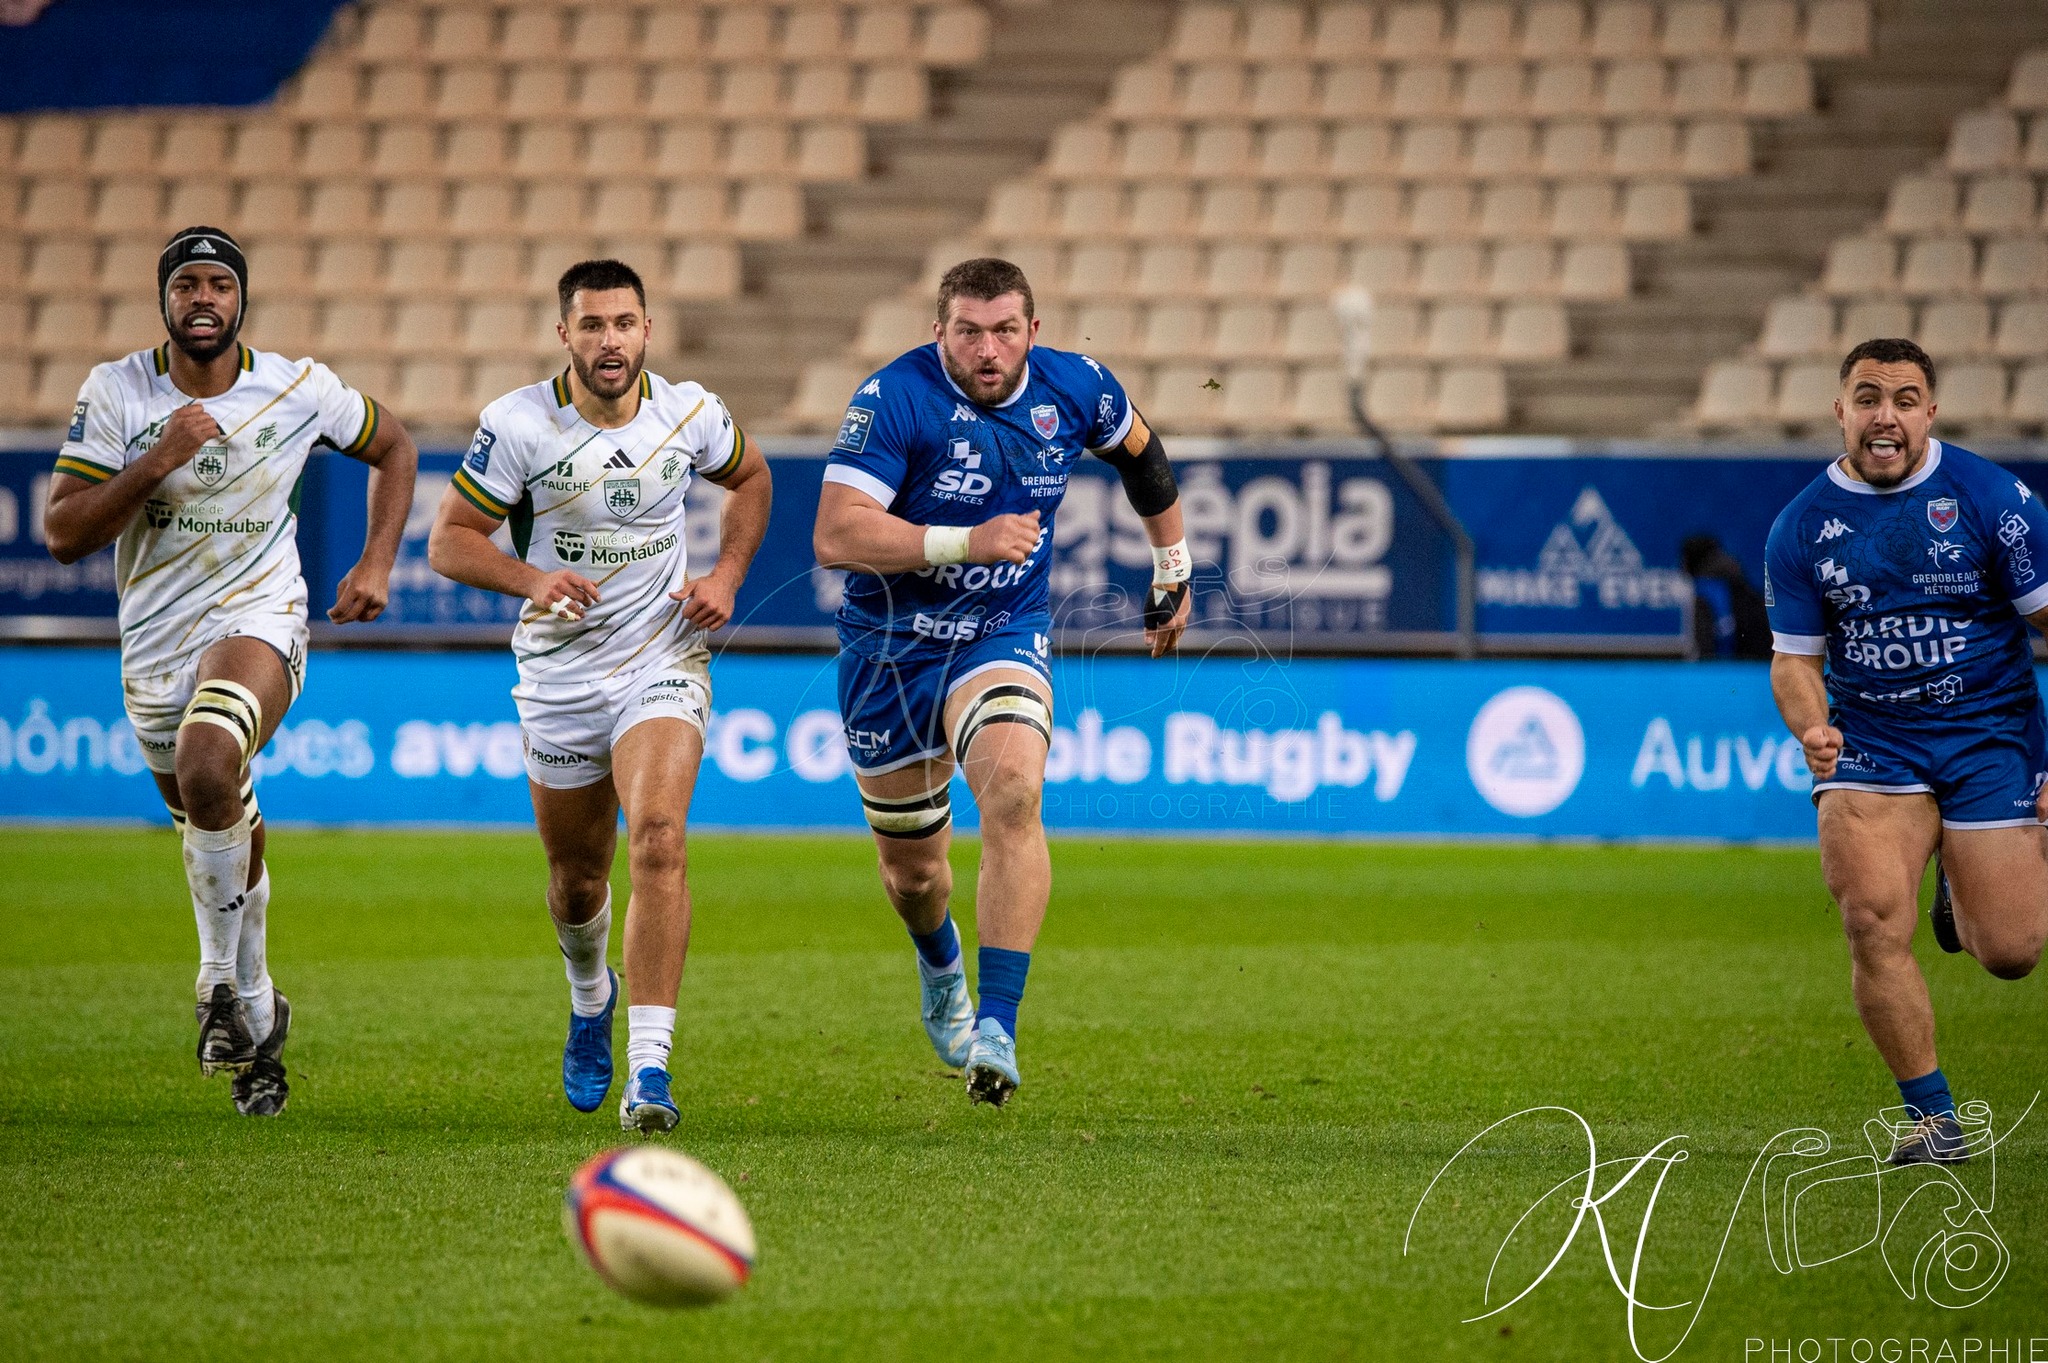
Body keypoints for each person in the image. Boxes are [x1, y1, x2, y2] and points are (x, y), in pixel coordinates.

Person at [43, 225, 418, 1116]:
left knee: (213, 762)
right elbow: (63, 534)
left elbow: (395, 446)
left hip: (261, 618)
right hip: (154, 648)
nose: (203, 299)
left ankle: (216, 984)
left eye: (218, 283)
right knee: (220, 817)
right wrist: (157, 459)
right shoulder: (118, 392)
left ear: (240, 297)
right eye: (186, 286)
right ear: (164, 300)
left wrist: (375, 564)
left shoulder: (295, 386)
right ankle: (258, 1009)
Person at [812, 257, 1192, 1107]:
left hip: (1000, 631)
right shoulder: (893, 398)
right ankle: (942, 967)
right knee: (916, 876)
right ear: (938, 331)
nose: (989, 349)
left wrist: (1173, 565)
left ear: (1034, 330)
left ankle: (999, 1026)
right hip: (889, 650)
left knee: (1015, 790)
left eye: (1006, 330)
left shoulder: (1076, 388)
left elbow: (1142, 453)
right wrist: (962, 541)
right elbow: (836, 534)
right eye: (969, 331)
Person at [427, 259, 770, 1133]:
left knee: (658, 835)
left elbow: (753, 479)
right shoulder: (516, 425)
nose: (609, 340)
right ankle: (590, 999)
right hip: (559, 677)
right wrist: (531, 579)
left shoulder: (689, 411)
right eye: (592, 325)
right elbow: (449, 542)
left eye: (624, 323)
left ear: (648, 330)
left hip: (662, 656)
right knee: (578, 880)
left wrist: (727, 574)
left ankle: (649, 1071)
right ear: (565, 335)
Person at [1765, 337, 2048, 1165]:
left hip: (1988, 736)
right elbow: (1792, 658)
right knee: (1868, 917)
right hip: (1874, 743)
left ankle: (1964, 884)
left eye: (1903, 398)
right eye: (1867, 396)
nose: (1884, 414)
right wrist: (1812, 727)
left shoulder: (1994, 501)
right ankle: (1934, 1121)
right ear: (1840, 410)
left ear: (1930, 411)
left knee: (2012, 951)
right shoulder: (1803, 526)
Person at [1681, 533, 1771, 659]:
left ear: (1688, 561)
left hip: (1728, 669)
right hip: (1761, 662)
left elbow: (1705, 647)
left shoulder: (1705, 592)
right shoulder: (1740, 581)